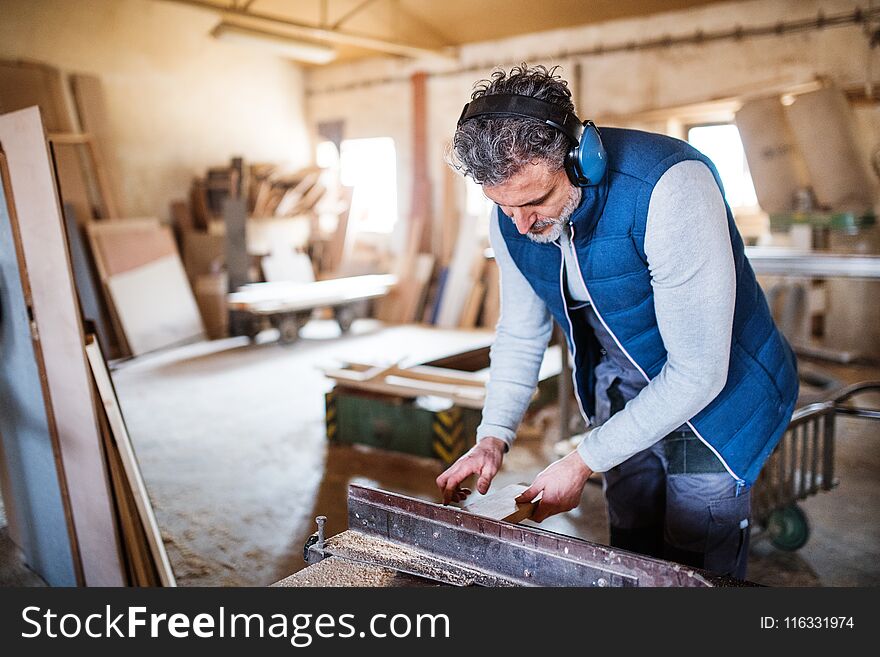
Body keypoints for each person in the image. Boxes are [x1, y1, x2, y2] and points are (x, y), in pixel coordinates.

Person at [436, 64, 798, 579]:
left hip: (719, 398)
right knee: (632, 543)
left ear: (583, 159)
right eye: (503, 206)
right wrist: (492, 436)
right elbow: (521, 330)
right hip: (626, 388)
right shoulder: (512, 216)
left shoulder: (669, 188)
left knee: (694, 549)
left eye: (537, 201)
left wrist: (583, 459)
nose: (521, 225)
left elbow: (698, 372)